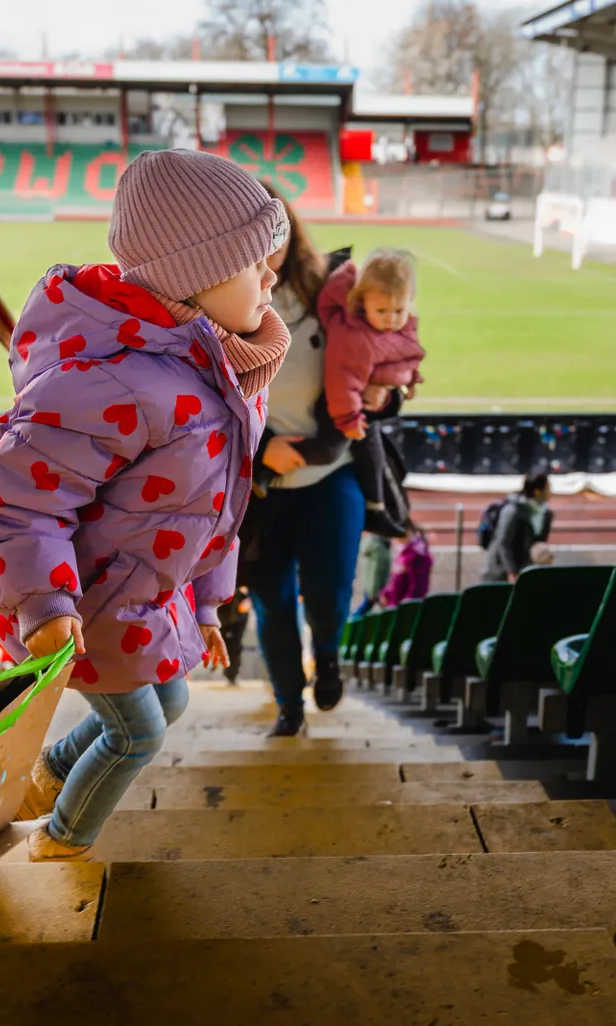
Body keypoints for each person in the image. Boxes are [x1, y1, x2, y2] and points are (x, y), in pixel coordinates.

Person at [0, 148, 286, 862]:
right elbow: (19, 503)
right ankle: (59, 845)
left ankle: (48, 776)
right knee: (138, 733)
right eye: (255, 265)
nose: (272, 280)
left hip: (143, 597)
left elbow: (216, 509)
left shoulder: (222, 370)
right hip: (81, 608)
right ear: (194, 279)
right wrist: (45, 607)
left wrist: (207, 605)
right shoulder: (115, 382)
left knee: (169, 703)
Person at [242, 181, 376, 736]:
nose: (265, 242)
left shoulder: (331, 291)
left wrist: (386, 388)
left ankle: (327, 655)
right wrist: (258, 451)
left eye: (273, 226)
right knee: (272, 605)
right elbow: (195, 407)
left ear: (291, 227)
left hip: (330, 474)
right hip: (261, 489)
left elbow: (378, 353)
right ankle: (288, 707)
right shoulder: (214, 303)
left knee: (331, 589)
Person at [318, 249, 425, 537]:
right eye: (383, 311)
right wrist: (349, 418)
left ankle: (378, 508)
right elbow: (342, 379)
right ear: (361, 303)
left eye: (399, 311)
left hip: (361, 405)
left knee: (377, 456)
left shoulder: (389, 326)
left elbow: (403, 355)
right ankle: (376, 509)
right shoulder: (354, 336)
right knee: (341, 449)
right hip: (343, 409)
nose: (391, 319)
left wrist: (408, 381)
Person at [482, 472, 552, 582]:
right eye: (548, 488)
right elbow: (503, 542)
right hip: (500, 572)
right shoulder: (513, 510)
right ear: (537, 491)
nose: (550, 492)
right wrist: (511, 572)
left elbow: (538, 541)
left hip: (523, 571)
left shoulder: (546, 514)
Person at [378, 522, 433, 608]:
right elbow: (395, 580)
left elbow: (417, 586)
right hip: (397, 604)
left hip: (406, 607)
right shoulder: (403, 552)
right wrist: (386, 594)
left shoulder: (415, 555)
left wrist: (406, 605)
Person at [354, 531, 393, 615]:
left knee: (366, 608)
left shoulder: (376, 546)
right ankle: (351, 624)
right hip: (375, 588)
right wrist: (373, 592)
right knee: (365, 609)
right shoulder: (379, 549)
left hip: (372, 586)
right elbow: (376, 572)